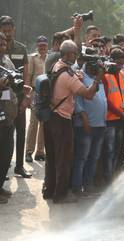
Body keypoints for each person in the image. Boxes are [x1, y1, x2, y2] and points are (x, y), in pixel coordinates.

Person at [43, 40, 99, 203]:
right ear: (68, 54)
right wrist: (97, 80)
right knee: (64, 159)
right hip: (62, 120)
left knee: (52, 157)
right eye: (75, 53)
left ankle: (49, 190)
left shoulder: (56, 66)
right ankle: (60, 195)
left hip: (50, 117)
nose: (77, 56)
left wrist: (77, 77)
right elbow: (88, 94)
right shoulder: (68, 74)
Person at [71, 55, 107, 196]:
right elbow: (78, 102)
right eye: (93, 65)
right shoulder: (80, 77)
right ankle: (76, 186)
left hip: (99, 125)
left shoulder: (99, 80)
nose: (96, 68)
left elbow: (102, 99)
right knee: (82, 158)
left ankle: (88, 185)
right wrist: (84, 119)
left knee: (94, 157)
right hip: (85, 126)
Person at [0, 15, 31, 178]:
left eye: (9, 30)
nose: (7, 33)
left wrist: (25, 98)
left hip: (18, 94)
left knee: (20, 130)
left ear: (14, 29)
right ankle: (2, 169)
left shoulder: (21, 48)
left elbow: (26, 73)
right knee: (3, 132)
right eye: (4, 31)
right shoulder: (0, 47)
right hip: (3, 96)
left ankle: (19, 166)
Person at [102, 48, 124, 184]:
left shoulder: (123, 76)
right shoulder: (105, 77)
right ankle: (107, 178)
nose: (120, 66)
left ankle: (113, 175)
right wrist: (121, 114)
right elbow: (106, 101)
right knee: (109, 150)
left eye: (122, 63)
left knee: (118, 150)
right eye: (118, 63)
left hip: (122, 120)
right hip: (110, 121)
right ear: (111, 61)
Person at [0, 32, 17, 204]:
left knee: (6, 154)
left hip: (8, 115)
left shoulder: (7, 61)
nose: (3, 46)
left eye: (4, 43)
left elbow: (11, 83)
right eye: (0, 43)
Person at [25, 36, 48, 163]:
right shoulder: (33, 58)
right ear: (37, 46)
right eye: (40, 45)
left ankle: (40, 151)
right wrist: (28, 95)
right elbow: (28, 76)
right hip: (35, 92)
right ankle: (29, 151)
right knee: (33, 123)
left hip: (46, 95)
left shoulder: (49, 58)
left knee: (44, 123)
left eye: (44, 45)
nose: (42, 47)